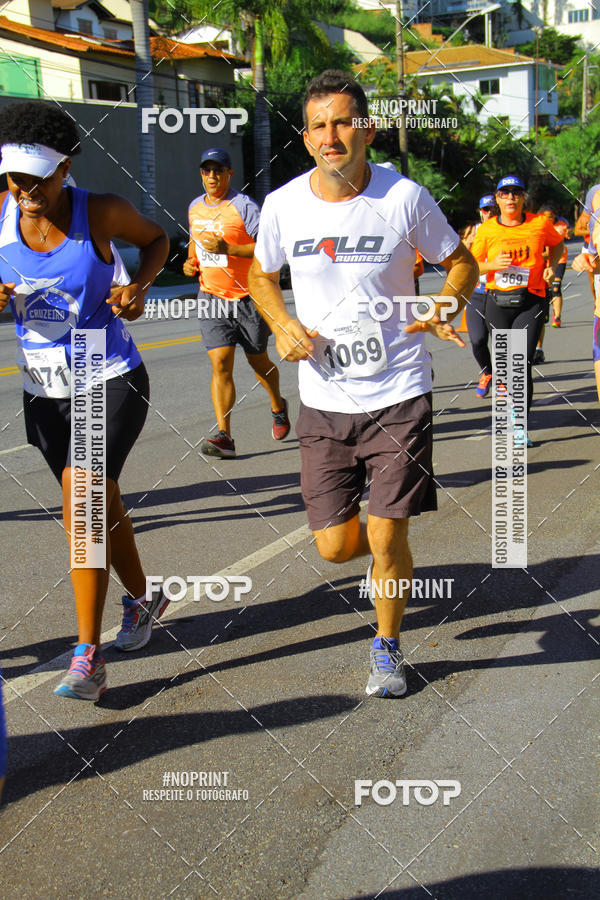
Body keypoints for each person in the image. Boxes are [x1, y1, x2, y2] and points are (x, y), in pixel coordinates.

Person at [248, 70, 478, 698]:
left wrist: (445, 305)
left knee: (386, 532)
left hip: (399, 389)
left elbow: (461, 263)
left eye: (344, 121)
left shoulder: (405, 197)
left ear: (367, 128)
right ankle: (383, 574)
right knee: (334, 547)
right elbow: (260, 276)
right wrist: (282, 323)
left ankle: (387, 647)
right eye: (320, 125)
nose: (332, 135)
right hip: (324, 400)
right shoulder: (284, 205)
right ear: (306, 137)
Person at [0, 101, 171, 700]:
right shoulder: (0, 212)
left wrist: (137, 287)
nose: (23, 190)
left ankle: (87, 657)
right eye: (14, 178)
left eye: (36, 178)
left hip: (107, 369)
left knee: (84, 504)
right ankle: (145, 600)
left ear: (65, 168)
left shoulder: (98, 212)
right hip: (44, 389)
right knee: (101, 502)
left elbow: (158, 241)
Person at [184, 147, 290, 458]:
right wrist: (191, 263)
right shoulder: (194, 208)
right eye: (207, 170)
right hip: (211, 297)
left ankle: (277, 405)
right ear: (202, 174)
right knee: (220, 364)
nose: (212, 176)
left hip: (248, 297)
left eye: (219, 170)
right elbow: (195, 242)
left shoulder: (244, 207)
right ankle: (224, 436)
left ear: (230, 173)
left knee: (258, 362)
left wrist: (228, 247)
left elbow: (268, 251)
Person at [472, 175, 564, 447]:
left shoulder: (539, 223)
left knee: (521, 363)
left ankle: (521, 422)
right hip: (497, 302)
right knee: (505, 364)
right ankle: (509, 401)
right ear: (497, 198)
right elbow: (472, 265)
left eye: (516, 193)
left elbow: (557, 244)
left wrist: (552, 266)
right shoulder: (487, 230)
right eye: (505, 193)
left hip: (531, 300)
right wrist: (493, 265)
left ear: (524, 198)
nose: (510, 198)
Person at [461, 193, 497, 397]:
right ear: (480, 212)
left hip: (498, 293)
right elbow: (459, 259)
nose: (489, 213)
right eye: (485, 209)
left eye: (492, 209)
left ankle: (506, 381)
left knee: (502, 340)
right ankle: (487, 372)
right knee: (477, 339)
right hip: (476, 292)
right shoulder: (472, 231)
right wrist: (468, 243)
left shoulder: (504, 230)